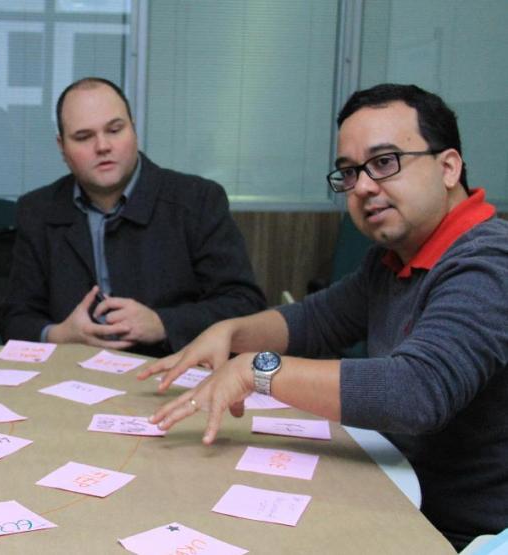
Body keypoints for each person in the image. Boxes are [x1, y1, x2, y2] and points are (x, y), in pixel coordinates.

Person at [141, 83, 508, 550]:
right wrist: (231, 331)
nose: (364, 187)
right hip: (391, 490)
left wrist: (258, 370)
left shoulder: (488, 261)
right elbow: (315, 320)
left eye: (385, 162)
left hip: (460, 533)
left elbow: (417, 391)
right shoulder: (392, 257)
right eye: (350, 172)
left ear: (448, 167)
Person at [2, 78, 265, 357]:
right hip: (71, 370)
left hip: (171, 367)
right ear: (62, 147)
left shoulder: (198, 200)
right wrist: (58, 335)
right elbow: (15, 320)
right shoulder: (37, 210)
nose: (102, 146)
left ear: (133, 129)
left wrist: (163, 323)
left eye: (115, 130)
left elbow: (245, 305)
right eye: (83, 137)